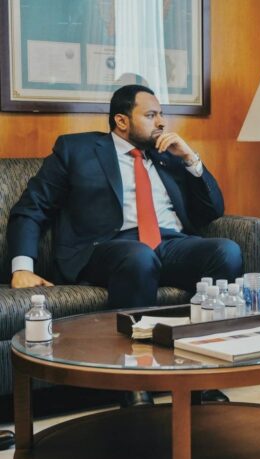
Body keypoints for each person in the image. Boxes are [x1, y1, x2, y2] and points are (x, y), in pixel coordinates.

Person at [8, 84, 242, 405]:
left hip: (170, 244)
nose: (161, 122)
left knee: (226, 252)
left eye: (162, 114)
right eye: (151, 115)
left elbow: (212, 211)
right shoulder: (76, 150)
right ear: (121, 121)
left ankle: (203, 378)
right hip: (108, 247)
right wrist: (22, 267)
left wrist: (191, 159)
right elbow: (31, 207)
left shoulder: (168, 156)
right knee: (139, 257)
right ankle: (134, 384)